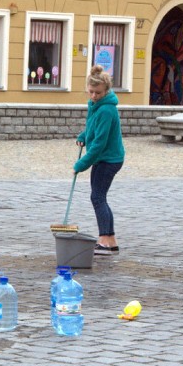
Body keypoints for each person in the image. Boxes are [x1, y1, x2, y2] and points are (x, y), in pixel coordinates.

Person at [74, 65, 125, 256]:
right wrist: (84, 135)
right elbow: (92, 129)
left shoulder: (106, 110)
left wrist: (81, 165)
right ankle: (110, 240)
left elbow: (100, 143)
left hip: (109, 159)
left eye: (98, 93)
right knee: (99, 197)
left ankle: (104, 240)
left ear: (106, 91)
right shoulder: (95, 106)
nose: (94, 96)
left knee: (97, 197)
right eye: (91, 92)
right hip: (105, 158)